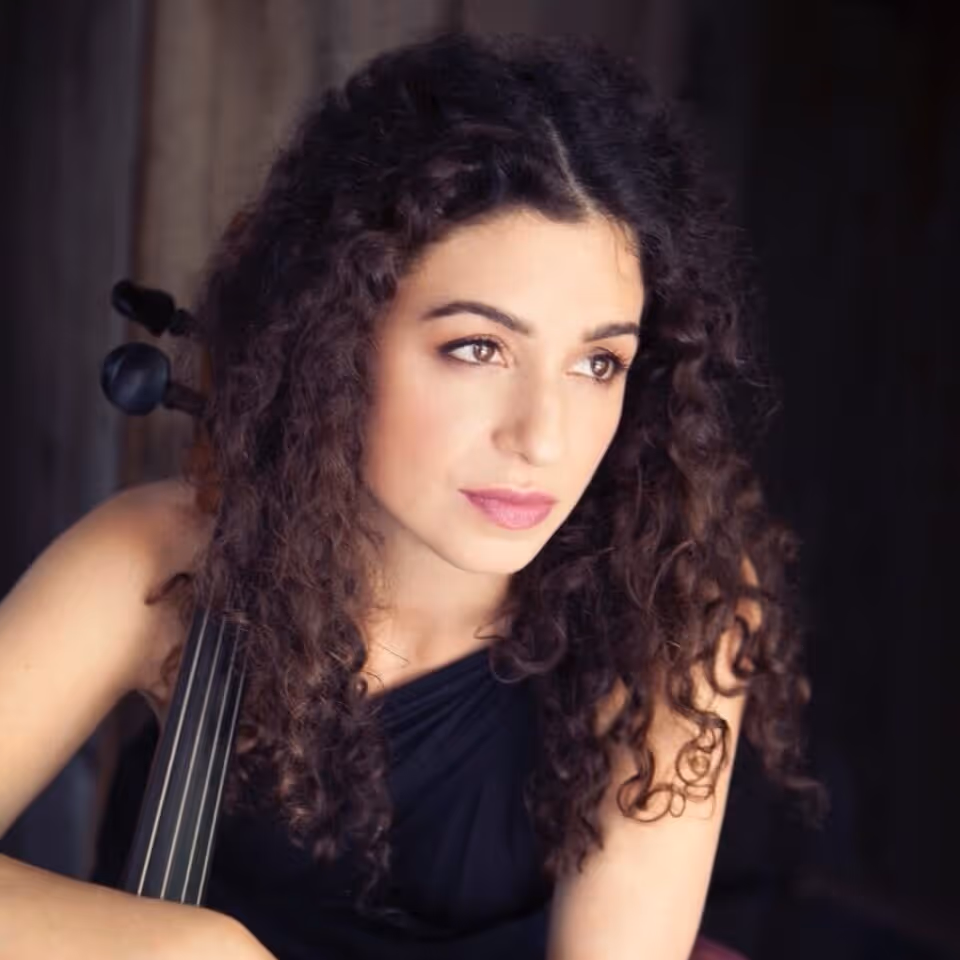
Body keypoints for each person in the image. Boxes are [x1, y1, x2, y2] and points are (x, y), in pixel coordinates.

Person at [0, 29, 821, 960]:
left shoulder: (674, 600)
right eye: (477, 348)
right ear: (333, 341)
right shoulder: (161, 563)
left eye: (599, 362)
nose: (543, 438)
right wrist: (194, 950)